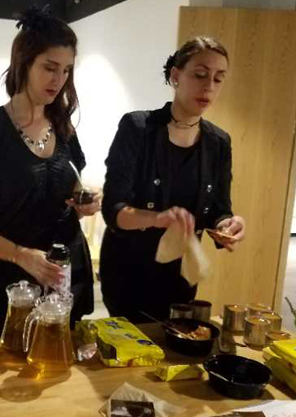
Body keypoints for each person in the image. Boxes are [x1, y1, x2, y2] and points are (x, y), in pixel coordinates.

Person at [0, 7, 99, 339]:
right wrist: (20, 255)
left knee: (61, 361)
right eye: (49, 68)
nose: (58, 80)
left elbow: (68, 191)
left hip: (61, 273)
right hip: (5, 278)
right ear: (24, 63)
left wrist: (84, 202)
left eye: (66, 70)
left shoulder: (64, 127)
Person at [99, 36, 246, 323]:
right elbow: (113, 211)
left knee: (175, 341)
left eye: (218, 78)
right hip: (128, 274)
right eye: (200, 74)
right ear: (176, 76)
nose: (209, 86)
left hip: (181, 276)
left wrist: (227, 225)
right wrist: (158, 218)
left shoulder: (218, 143)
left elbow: (218, 209)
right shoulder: (138, 128)